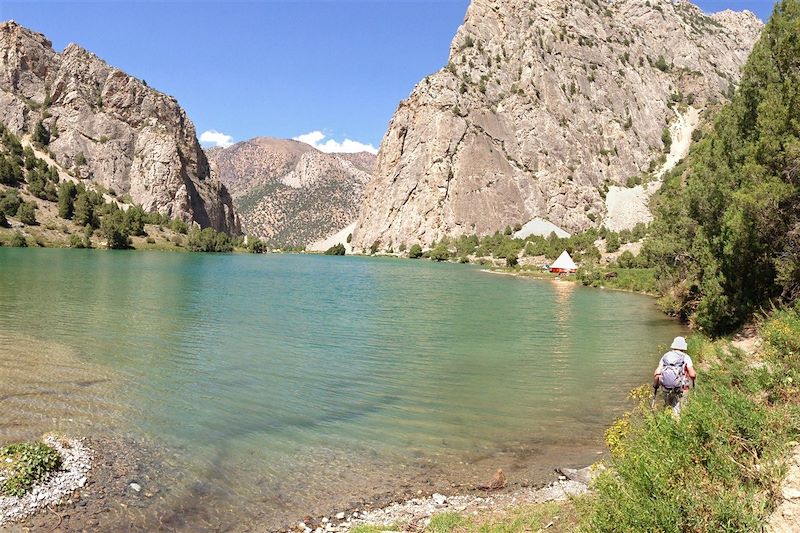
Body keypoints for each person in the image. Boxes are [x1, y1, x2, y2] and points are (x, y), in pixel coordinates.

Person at [653, 336, 696, 416]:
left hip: (666, 387)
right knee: (682, 410)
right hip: (681, 388)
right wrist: (693, 379)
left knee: (668, 409)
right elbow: (692, 374)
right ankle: (679, 425)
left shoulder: (665, 356)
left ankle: (669, 423)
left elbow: (657, 372)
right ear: (683, 347)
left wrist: (655, 385)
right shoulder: (685, 357)